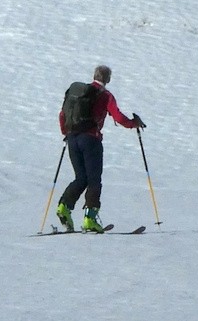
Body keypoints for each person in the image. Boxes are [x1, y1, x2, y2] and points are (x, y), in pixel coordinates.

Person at [55, 65, 145, 232]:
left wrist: (66, 132)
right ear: (108, 79)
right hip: (91, 140)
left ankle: (64, 207)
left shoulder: (78, 93)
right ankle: (90, 219)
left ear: (94, 76)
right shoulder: (105, 95)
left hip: (72, 138)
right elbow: (118, 117)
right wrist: (134, 124)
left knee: (81, 178)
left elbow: (62, 114)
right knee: (94, 180)